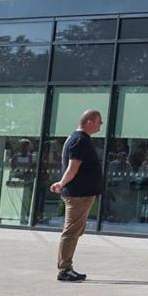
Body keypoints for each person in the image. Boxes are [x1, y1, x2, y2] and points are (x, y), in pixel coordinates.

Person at [46, 109, 105, 282]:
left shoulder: (79, 139)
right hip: (78, 195)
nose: (101, 125)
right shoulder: (79, 140)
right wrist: (61, 183)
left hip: (82, 194)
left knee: (74, 231)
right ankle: (64, 270)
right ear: (90, 121)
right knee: (71, 232)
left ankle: (66, 267)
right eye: (99, 121)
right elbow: (73, 167)